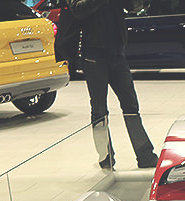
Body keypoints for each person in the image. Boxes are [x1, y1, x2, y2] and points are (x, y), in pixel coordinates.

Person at [63, 0, 158, 169]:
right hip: (93, 56)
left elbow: (133, 7)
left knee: (131, 106)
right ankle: (105, 157)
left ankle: (145, 155)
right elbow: (78, 10)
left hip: (117, 54)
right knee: (99, 110)